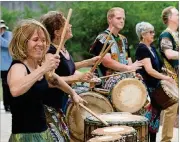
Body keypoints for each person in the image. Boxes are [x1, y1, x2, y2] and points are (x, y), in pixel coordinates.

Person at [7, 19, 84, 142]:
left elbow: (54, 80)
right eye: (35, 39)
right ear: (23, 42)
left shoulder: (37, 66)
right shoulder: (19, 67)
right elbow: (15, 90)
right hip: (25, 136)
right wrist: (44, 68)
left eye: (43, 40)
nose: (41, 44)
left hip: (43, 132)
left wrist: (72, 93)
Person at [40, 11, 100, 141]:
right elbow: (50, 79)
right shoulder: (50, 51)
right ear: (57, 32)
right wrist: (78, 78)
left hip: (59, 105)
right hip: (48, 107)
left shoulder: (62, 49)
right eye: (67, 23)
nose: (70, 25)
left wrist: (87, 65)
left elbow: (67, 69)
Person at [135, 21, 175, 142]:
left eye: (153, 31)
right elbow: (150, 70)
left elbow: (157, 66)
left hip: (155, 87)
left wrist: (167, 72)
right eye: (150, 32)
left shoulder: (151, 47)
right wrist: (166, 78)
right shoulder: (142, 48)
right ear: (143, 35)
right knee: (148, 121)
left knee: (155, 121)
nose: (153, 34)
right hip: (147, 88)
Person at [89, 7, 142, 89]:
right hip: (105, 84)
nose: (122, 21)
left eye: (123, 19)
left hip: (123, 80)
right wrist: (128, 68)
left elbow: (128, 60)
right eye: (118, 18)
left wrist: (133, 74)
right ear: (110, 19)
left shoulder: (123, 39)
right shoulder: (102, 38)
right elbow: (107, 62)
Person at [158, 6, 179, 142]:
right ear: (170, 18)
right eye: (177, 14)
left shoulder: (176, 34)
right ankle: (166, 140)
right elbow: (169, 54)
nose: (179, 16)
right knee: (170, 110)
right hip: (170, 77)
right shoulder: (166, 35)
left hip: (176, 75)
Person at [0, 20, 12, 111]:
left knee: (9, 85)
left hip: (8, 65)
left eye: (2, 28)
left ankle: (9, 104)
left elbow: (8, 45)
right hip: (2, 66)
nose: (1, 30)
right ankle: (7, 105)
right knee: (5, 86)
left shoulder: (9, 34)